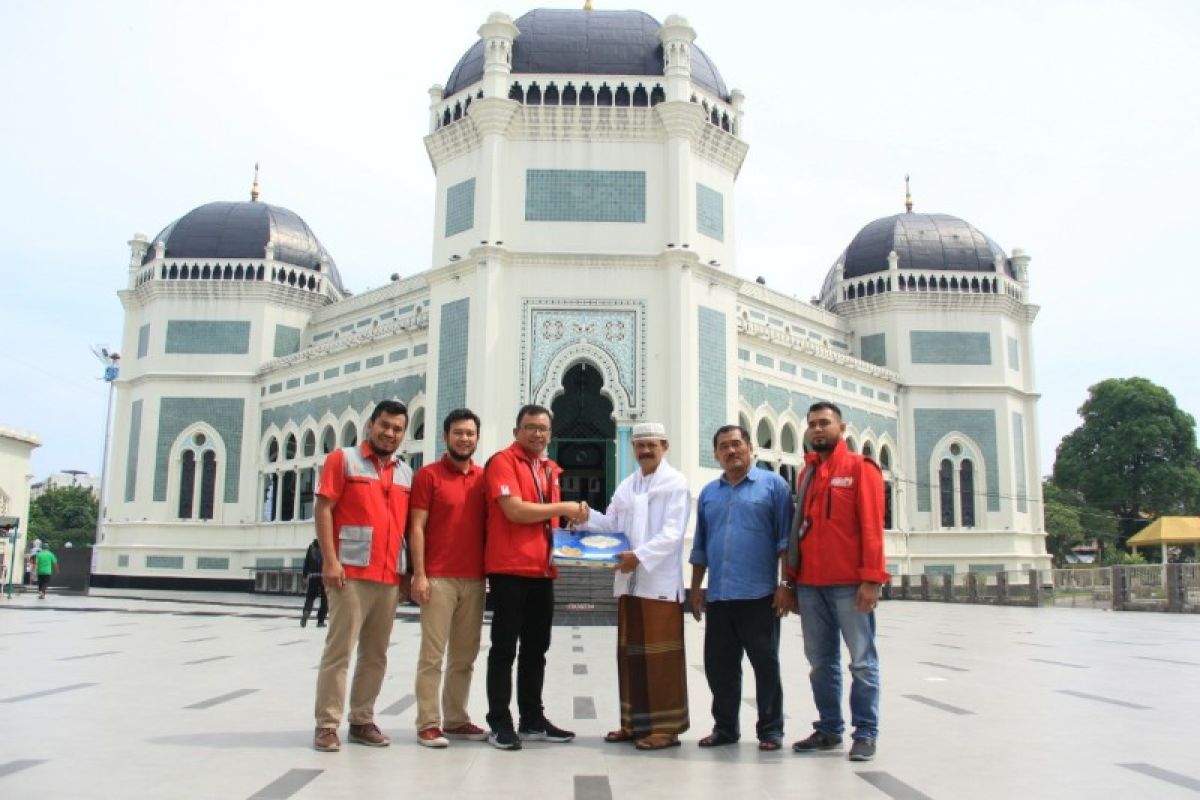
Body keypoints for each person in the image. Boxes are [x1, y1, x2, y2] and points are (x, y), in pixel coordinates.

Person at [483, 404, 589, 751]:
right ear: (517, 432)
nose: (537, 434)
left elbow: (548, 521)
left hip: (543, 570)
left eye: (543, 428)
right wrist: (563, 508)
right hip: (510, 570)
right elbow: (513, 510)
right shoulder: (502, 462)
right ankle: (500, 721)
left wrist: (569, 523)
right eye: (530, 427)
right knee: (503, 649)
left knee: (535, 649)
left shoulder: (548, 469)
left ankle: (532, 718)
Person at [312, 399, 413, 753]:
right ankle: (327, 724)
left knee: (376, 654)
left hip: (388, 575)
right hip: (349, 574)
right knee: (339, 651)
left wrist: (405, 574)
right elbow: (324, 508)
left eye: (398, 428)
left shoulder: (404, 471)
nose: (390, 433)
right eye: (385, 425)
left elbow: (404, 529)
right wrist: (330, 561)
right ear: (371, 425)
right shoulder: (344, 460)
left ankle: (361, 719)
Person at [789, 401, 888, 762]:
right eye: (812, 423)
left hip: (850, 584)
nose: (817, 429)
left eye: (825, 423)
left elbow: (871, 528)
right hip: (811, 585)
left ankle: (865, 732)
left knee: (861, 661)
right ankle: (829, 728)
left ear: (841, 428)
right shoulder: (807, 473)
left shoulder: (861, 469)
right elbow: (800, 529)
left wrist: (872, 579)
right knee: (821, 662)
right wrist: (792, 581)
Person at [585, 422, 692, 751]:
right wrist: (582, 515)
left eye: (652, 445)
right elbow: (610, 524)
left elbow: (673, 535)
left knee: (661, 658)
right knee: (631, 656)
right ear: (632, 448)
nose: (645, 451)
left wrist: (639, 557)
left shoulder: (675, 484)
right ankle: (632, 723)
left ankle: (666, 728)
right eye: (640, 445)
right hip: (629, 584)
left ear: (665, 446)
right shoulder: (628, 486)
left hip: (658, 584)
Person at [689, 424, 794, 751]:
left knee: (765, 664)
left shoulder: (773, 486)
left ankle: (771, 730)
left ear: (750, 447)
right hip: (720, 596)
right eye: (724, 446)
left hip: (759, 595)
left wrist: (785, 583)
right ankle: (725, 728)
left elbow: (785, 540)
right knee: (719, 667)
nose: (731, 451)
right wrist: (696, 588)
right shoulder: (709, 493)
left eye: (737, 444)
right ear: (716, 453)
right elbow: (700, 545)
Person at [409, 408, 489, 748]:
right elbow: (416, 527)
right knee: (432, 655)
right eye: (458, 432)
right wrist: (420, 574)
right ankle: (428, 722)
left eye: (470, 433)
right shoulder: (428, 476)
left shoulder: (484, 478)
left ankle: (455, 718)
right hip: (438, 578)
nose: (464, 438)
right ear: (446, 436)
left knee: (464, 656)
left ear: (477, 438)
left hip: (474, 578)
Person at [301, 538, 327, 628]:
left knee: (310, 597)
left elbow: (306, 562)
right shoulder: (327, 546)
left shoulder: (311, 547)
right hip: (325, 576)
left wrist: (304, 576)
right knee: (325, 599)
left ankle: (306, 612)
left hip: (312, 576)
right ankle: (320, 621)